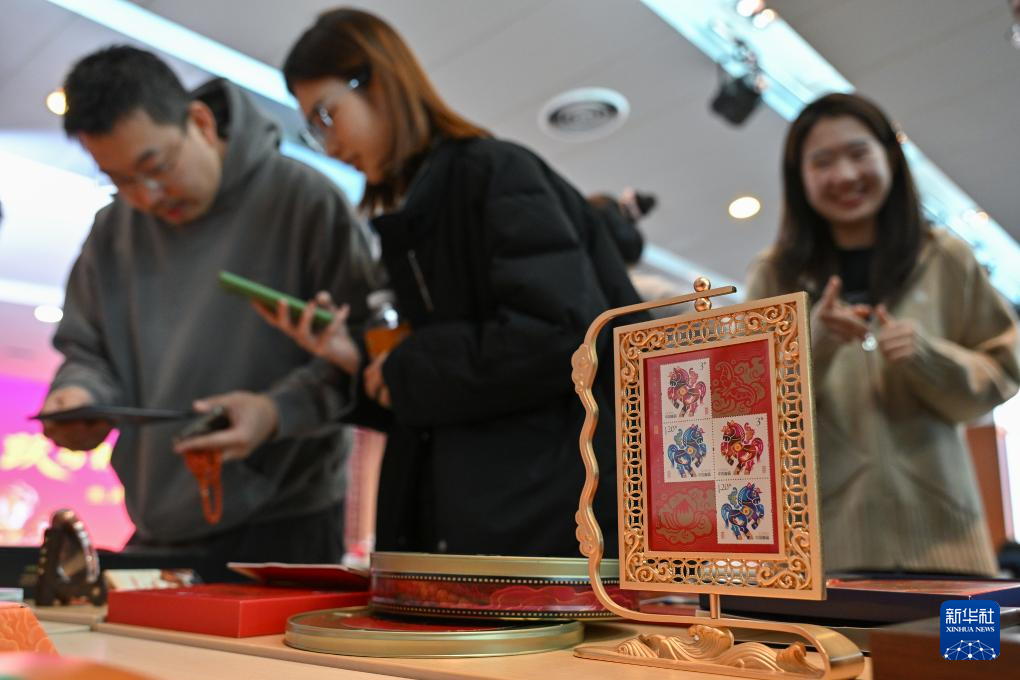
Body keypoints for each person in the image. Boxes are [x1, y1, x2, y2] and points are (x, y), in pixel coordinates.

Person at [180, 8, 643, 557]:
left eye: (327, 115)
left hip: (540, 528)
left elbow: (563, 336)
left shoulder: (495, 173)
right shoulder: (414, 216)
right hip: (476, 527)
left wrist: (404, 367)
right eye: (313, 128)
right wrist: (356, 357)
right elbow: (450, 389)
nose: (329, 145)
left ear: (378, 81)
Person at [41, 46, 377, 577]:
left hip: (284, 521)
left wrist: (274, 413)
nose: (146, 196)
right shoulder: (112, 231)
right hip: (157, 519)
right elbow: (87, 350)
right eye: (120, 180)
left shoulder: (305, 201)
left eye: (155, 167)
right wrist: (81, 396)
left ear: (199, 122)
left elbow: (360, 355)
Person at [745, 92, 1020, 575]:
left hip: (950, 543)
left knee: (968, 631)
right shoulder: (775, 275)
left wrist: (929, 357)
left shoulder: (946, 257)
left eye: (858, 153)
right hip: (822, 555)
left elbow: (1004, 367)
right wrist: (812, 345)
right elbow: (749, 413)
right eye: (822, 162)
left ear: (890, 156)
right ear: (799, 177)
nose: (844, 175)